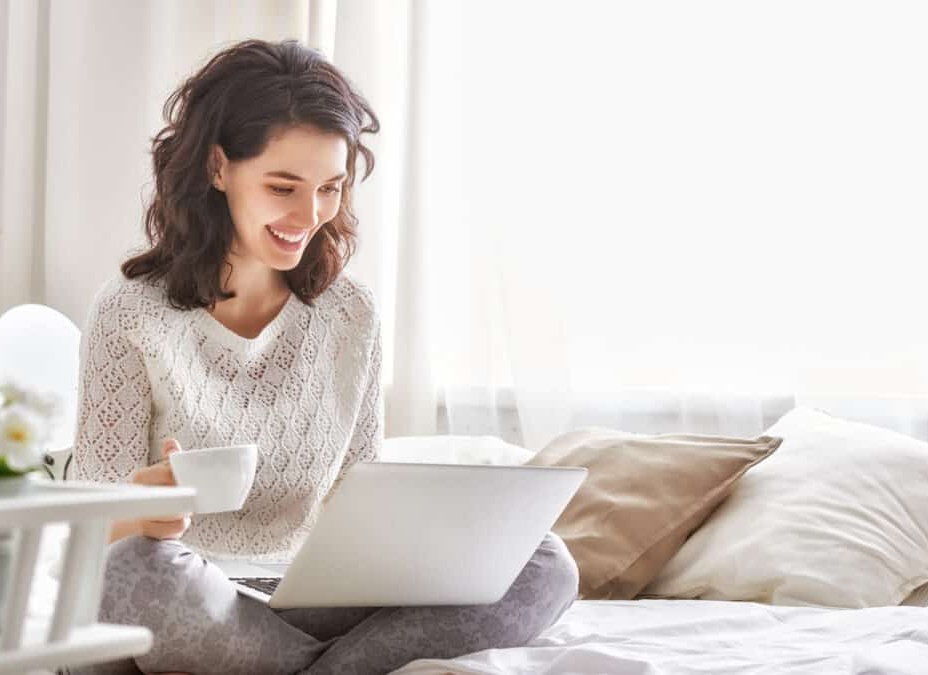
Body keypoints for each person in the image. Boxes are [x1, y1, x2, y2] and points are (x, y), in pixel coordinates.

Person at [70, 39, 578, 675]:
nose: (308, 216)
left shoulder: (351, 315)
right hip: (184, 590)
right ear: (218, 167)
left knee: (544, 562)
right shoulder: (130, 311)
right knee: (132, 576)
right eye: (283, 187)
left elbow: (357, 503)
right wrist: (139, 512)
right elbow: (89, 543)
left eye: (330, 188)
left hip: (307, 599)